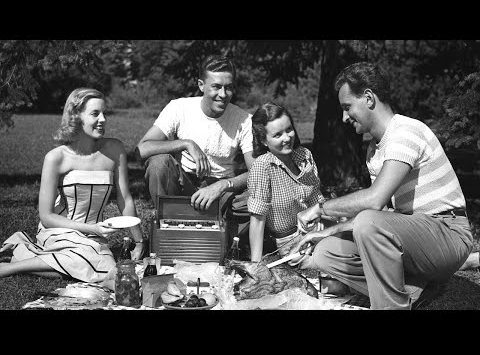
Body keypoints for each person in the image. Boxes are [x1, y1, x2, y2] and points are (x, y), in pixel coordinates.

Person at [289, 62, 473, 310]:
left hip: (448, 234)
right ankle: (414, 291)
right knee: (326, 253)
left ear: (368, 98)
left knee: (368, 221)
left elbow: (374, 202)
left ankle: (392, 306)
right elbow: (381, 215)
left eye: (347, 107)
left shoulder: (406, 132)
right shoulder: (374, 151)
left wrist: (321, 209)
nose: (344, 117)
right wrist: (326, 232)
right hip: (412, 236)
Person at [0, 88, 145, 283]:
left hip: (94, 236)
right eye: (95, 114)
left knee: (93, 261)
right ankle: (10, 268)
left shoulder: (115, 149)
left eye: (104, 113)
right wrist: (92, 229)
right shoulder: (55, 158)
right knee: (104, 266)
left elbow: (124, 198)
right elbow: (46, 216)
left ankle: (25, 257)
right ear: (76, 116)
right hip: (60, 230)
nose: (103, 119)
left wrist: (139, 241)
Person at [136, 54, 254, 245]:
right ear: (201, 85)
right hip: (183, 186)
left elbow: (258, 171)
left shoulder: (245, 120)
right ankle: (168, 227)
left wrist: (222, 185)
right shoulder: (179, 108)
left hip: (221, 193)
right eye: (216, 86)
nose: (223, 94)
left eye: (229, 87)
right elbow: (141, 149)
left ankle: (223, 239)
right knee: (159, 163)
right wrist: (185, 143)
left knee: (259, 194)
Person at [247, 101, 325, 262]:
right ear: (263, 140)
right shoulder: (263, 166)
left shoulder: (304, 155)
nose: (286, 138)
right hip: (288, 243)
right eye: (277, 135)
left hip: (317, 230)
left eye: (289, 129)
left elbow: (316, 196)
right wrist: (256, 264)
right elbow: (257, 219)